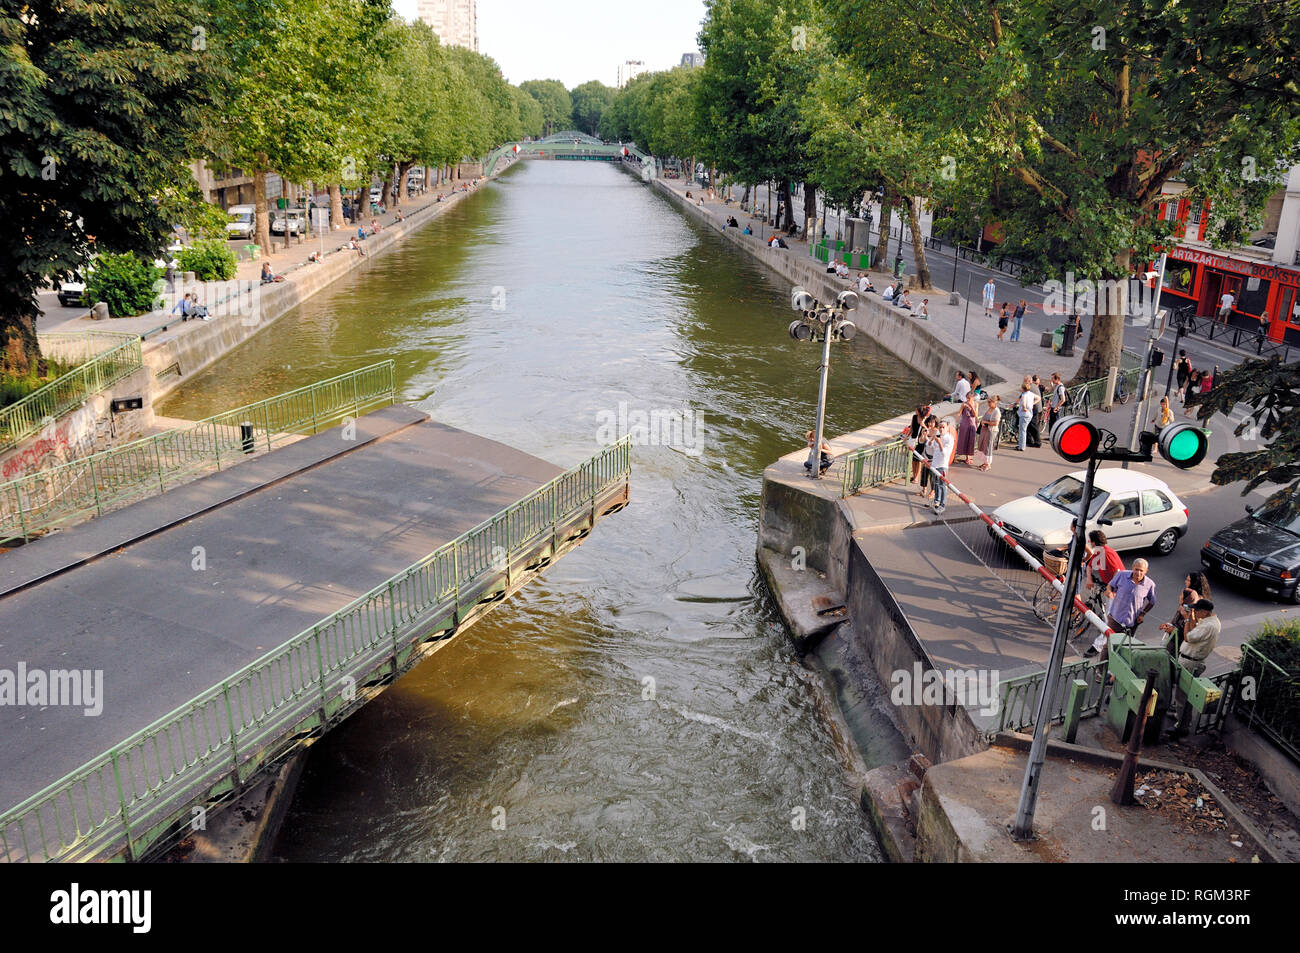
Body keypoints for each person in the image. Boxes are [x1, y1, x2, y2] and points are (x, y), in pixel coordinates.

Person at [1170, 599, 1221, 736]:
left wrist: (1187, 620)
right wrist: (1191, 617)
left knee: (1182, 695)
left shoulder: (1208, 626)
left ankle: (1182, 726)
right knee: (1183, 694)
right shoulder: (1210, 622)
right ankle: (1181, 719)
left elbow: (1188, 637)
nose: (1195, 613)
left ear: (1204, 612)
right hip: (1191, 660)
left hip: (1190, 662)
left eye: (1197, 611)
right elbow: (1194, 630)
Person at [1094, 559, 1157, 659]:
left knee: (1125, 647)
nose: (1138, 573)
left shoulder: (1150, 585)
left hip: (1132, 623)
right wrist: (1109, 591)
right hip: (1115, 619)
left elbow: (1152, 602)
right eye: (1136, 569)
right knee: (1109, 646)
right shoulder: (1122, 575)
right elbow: (1110, 585)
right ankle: (1101, 671)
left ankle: (1115, 671)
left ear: (1146, 571)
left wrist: (1142, 614)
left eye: (1141, 570)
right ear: (1132, 568)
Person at [927, 420, 954, 514]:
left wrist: (940, 443)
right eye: (940, 427)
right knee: (936, 483)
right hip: (935, 464)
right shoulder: (939, 437)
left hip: (942, 465)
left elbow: (945, 454)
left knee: (942, 485)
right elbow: (930, 447)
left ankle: (942, 505)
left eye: (943, 427)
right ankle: (936, 501)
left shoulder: (949, 439)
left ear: (947, 428)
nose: (941, 429)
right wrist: (931, 439)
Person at [904, 403, 930, 485]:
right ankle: (914, 474)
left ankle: (916, 477)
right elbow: (911, 428)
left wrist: (923, 425)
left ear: (920, 411)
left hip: (920, 441)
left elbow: (928, 431)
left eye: (916, 410)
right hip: (913, 439)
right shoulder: (914, 417)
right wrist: (906, 436)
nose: (915, 411)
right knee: (913, 459)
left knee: (918, 460)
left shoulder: (925, 419)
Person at [975, 394, 1001, 470]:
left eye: (990, 402)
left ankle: (988, 464)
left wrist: (986, 422)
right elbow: (984, 417)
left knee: (988, 447)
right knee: (983, 445)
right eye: (988, 402)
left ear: (994, 402)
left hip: (991, 431)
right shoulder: (989, 409)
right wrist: (982, 422)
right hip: (985, 430)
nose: (988, 404)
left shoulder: (996, 411)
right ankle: (985, 462)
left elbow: (996, 423)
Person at [954, 390, 979, 464]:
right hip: (964, 424)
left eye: (969, 398)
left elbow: (975, 415)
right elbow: (959, 413)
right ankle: (967, 457)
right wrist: (954, 421)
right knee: (964, 440)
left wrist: (971, 406)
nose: (967, 400)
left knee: (971, 440)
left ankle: (970, 456)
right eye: (966, 398)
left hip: (972, 424)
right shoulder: (963, 404)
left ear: (973, 398)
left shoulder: (976, 404)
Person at [1015, 382, 1036, 451]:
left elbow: (1023, 403)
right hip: (1030, 414)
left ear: (1023, 389)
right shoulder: (1031, 394)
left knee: (1022, 431)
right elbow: (1038, 398)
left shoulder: (1024, 395)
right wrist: (1032, 404)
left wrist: (1024, 408)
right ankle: (1022, 445)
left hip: (1024, 414)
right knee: (1024, 430)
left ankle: (1021, 447)